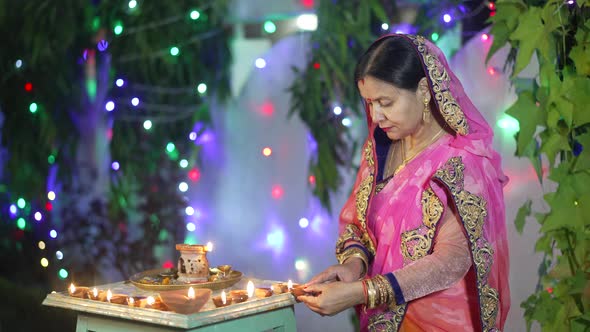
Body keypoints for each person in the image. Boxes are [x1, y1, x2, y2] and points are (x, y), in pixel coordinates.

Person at [298, 34, 510, 332]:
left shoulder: (462, 164)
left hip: (441, 322)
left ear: (424, 90)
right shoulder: (382, 149)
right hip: (384, 321)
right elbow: (359, 223)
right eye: (370, 103)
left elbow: (452, 260)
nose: (376, 115)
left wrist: (363, 292)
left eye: (386, 102)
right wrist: (353, 266)